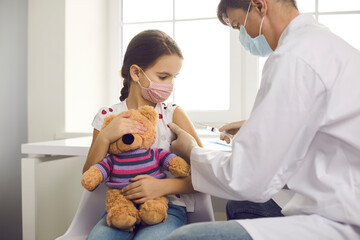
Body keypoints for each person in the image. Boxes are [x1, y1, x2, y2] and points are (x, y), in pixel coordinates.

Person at [164, 0, 360, 239]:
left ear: (259, 5)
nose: (244, 36)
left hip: (342, 216)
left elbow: (248, 179)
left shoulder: (293, 58)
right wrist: (256, 125)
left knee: (182, 238)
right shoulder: (325, 46)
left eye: (239, 26)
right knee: (241, 206)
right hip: (343, 193)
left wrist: (192, 151)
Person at [83, 29, 203, 240]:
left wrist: (161, 186)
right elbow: (88, 178)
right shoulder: (107, 116)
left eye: (173, 78)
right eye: (163, 77)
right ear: (136, 73)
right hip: (121, 206)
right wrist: (105, 137)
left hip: (167, 207)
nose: (170, 85)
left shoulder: (172, 114)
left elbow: (205, 176)